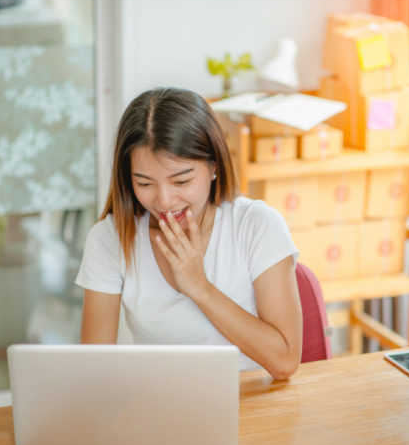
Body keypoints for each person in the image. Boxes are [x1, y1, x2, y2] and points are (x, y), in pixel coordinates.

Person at [75, 87, 302, 380]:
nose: (164, 201)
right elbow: (93, 372)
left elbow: (284, 362)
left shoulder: (257, 225)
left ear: (213, 167)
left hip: (250, 405)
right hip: (161, 409)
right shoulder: (110, 238)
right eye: (144, 184)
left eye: (181, 181)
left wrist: (199, 286)